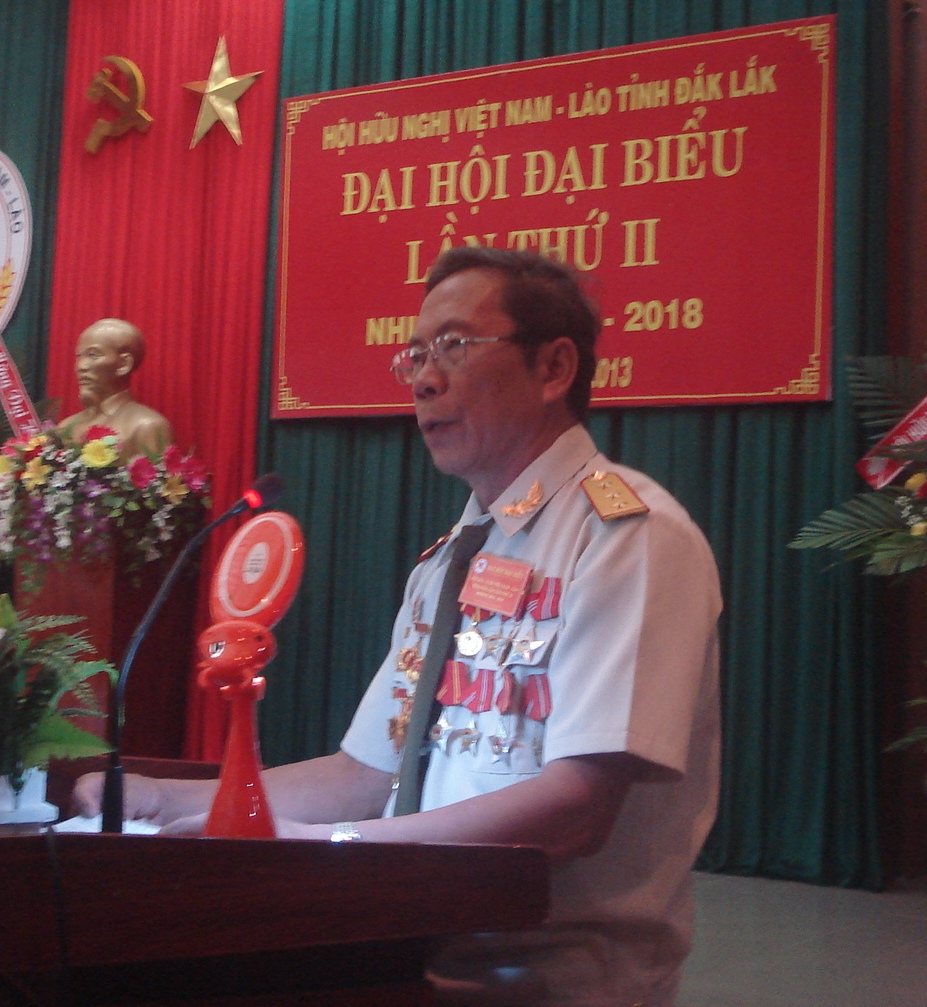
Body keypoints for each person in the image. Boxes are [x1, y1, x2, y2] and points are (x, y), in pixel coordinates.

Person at [74, 249, 722, 1007]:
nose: (422, 379)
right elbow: (365, 775)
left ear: (553, 368)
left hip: (545, 974)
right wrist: (161, 799)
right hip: (406, 938)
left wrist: (327, 849)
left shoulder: (627, 537)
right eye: (415, 354)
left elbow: (575, 809)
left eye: (453, 346)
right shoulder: (451, 558)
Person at [57, 317, 173, 459]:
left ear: (124, 364)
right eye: (79, 356)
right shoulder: (65, 427)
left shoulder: (146, 426)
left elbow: (157, 471)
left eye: (93, 355)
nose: (81, 366)